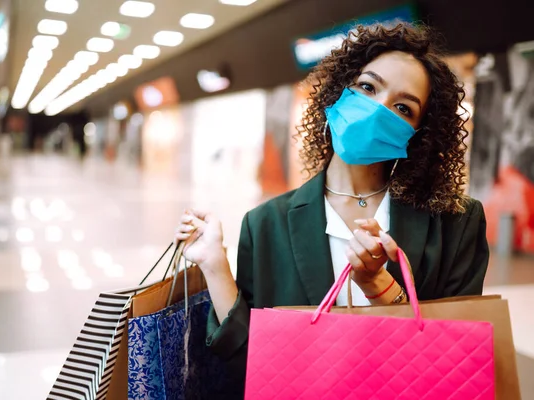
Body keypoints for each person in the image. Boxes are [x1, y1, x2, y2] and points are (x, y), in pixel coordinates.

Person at [175, 22, 489, 394]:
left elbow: (455, 354)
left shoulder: (455, 222)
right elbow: (250, 357)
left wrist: (381, 288)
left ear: (419, 133)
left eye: (402, 107)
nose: (377, 109)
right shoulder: (266, 225)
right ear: (338, 92)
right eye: (368, 87)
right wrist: (214, 264)